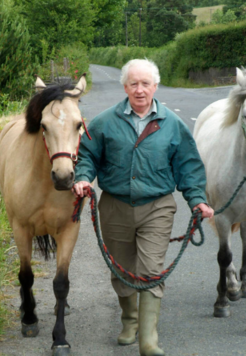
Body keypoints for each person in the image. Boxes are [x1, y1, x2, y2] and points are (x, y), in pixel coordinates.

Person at [72, 59, 214, 356]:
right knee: (120, 269)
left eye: (145, 83)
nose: (140, 90)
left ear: (155, 87)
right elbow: (86, 155)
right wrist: (84, 178)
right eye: (134, 83)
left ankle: (148, 340)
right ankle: (130, 320)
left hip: (157, 207)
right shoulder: (104, 123)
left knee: (150, 270)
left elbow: (188, 165)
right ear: (125, 87)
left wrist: (197, 199)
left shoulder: (172, 124)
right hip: (114, 206)